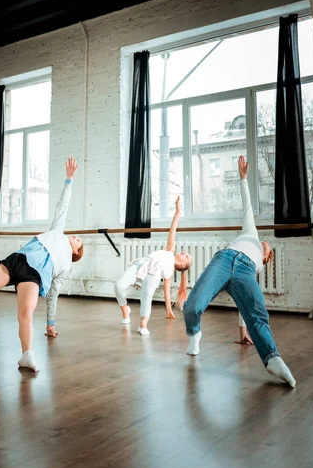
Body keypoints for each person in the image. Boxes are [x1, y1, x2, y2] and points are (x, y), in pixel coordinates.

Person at [181, 155, 296, 388]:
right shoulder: (251, 235)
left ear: (265, 258)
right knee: (192, 306)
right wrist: (243, 179)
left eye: (269, 248)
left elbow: (246, 308)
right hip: (224, 259)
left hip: (244, 269)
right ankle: (194, 334)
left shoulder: (255, 269)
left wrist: (243, 331)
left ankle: (272, 358)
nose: (266, 242)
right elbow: (248, 208)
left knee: (259, 313)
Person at [0, 158, 83, 372]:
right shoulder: (57, 232)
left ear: (75, 252)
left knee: (25, 313)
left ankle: (27, 355)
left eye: (79, 241)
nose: (76, 237)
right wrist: (69, 179)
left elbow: (54, 293)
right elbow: (62, 206)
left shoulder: (66, 264)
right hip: (15, 261)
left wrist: (51, 323)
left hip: (32, 277)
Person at [114, 196, 192, 335]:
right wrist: (178, 212)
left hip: (153, 273)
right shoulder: (169, 250)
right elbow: (172, 230)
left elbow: (167, 293)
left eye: (186, 257)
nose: (184, 253)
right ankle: (125, 309)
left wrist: (168, 309)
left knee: (147, 295)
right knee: (118, 286)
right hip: (141, 264)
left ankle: (143, 324)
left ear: (181, 264)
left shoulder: (168, 272)